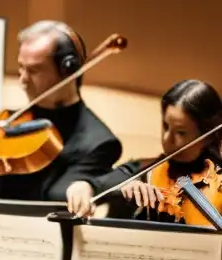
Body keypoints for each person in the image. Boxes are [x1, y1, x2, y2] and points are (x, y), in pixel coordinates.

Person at [0, 21, 121, 202]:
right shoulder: (9, 121)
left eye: (33, 70)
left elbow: (54, 200)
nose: (22, 80)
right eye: (21, 67)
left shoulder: (99, 143)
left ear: (67, 71)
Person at [66, 80, 222, 221]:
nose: (168, 139)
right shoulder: (145, 170)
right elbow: (99, 185)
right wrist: (83, 186)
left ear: (208, 136)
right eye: (166, 126)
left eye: (181, 132)